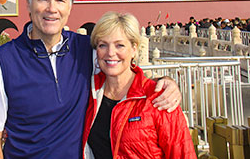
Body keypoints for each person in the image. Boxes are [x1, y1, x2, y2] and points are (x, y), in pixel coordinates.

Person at [0, 0, 181, 159]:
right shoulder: (3, 60)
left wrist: (163, 83)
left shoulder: (86, 50)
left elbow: (123, 73)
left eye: (60, 0)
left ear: (70, 6)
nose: (52, 8)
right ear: (28, 3)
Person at [82, 12, 196, 159]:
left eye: (120, 45)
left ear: (134, 49)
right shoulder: (87, 93)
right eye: (103, 45)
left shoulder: (159, 98)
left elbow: (183, 154)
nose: (110, 53)